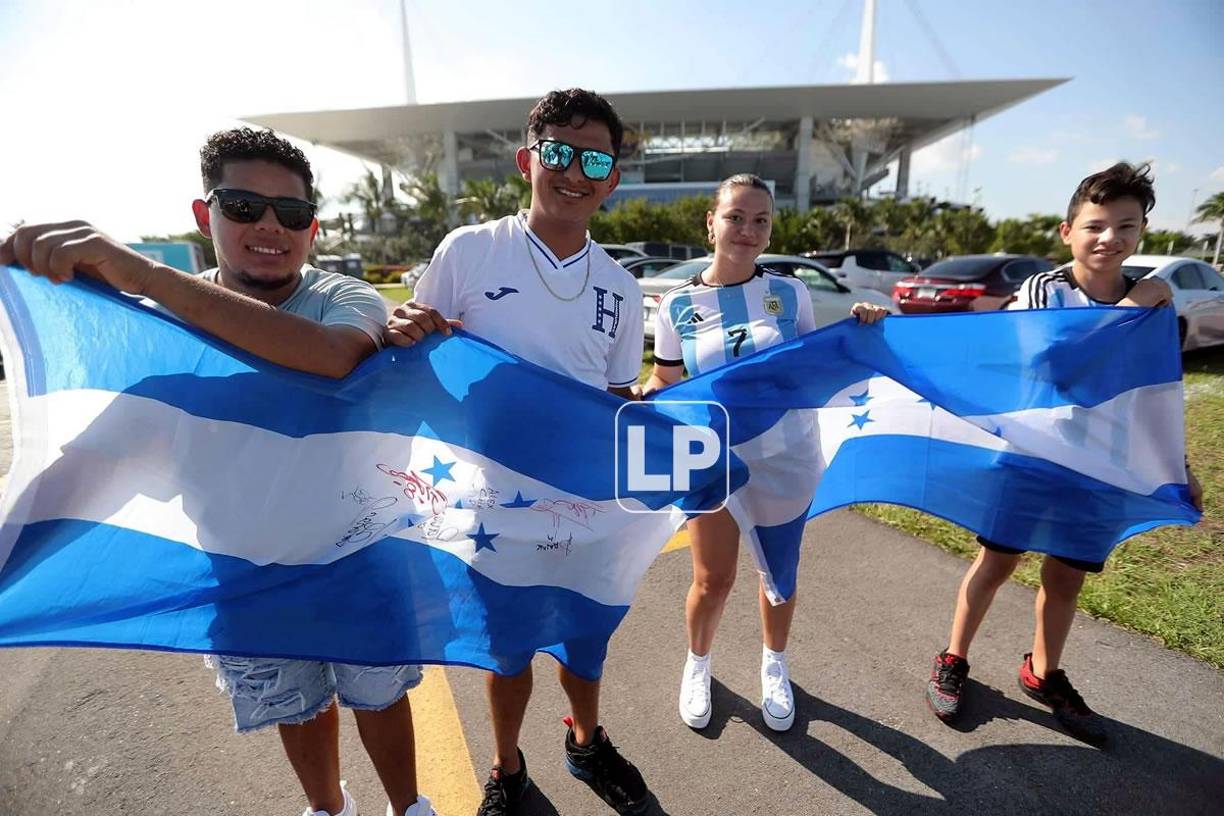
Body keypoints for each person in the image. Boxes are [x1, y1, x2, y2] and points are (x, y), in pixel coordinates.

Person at [0, 128, 434, 816]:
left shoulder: (342, 299)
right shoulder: (158, 325)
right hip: (243, 566)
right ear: (205, 216)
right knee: (298, 707)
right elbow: (99, 457)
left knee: (380, 696)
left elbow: (330, 356)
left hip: (358, 553)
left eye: (290, 215)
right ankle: (329, 809)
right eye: (243, 206)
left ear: (311, 229)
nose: (269, 227)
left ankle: (409, 807)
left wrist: (141, 273)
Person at [386, 89, 650, 816]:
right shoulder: (470, 251)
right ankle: (507, 768)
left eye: (594, 158)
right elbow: (420, 358)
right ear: (527, 159)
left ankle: (586, 740)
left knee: (584, 641)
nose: (574, 172)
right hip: (492, 502)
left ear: (613, 176)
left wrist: (661, 426)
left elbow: (616, 399)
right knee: (507, 652)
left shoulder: (622, 289)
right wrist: (401, 329)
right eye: (558, 153)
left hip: (585, 503)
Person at [923, 161, 1204, 744]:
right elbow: (1057, 364)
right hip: (1030, 456)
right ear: (1067, 231)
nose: (1110, 238)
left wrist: (1180, 468)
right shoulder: (1044, 290)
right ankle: (953, 658)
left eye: (1126, 226)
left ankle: (1043, 673)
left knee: (1066, 580)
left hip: (1102, 465)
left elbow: (1156, 399)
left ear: (1142, 231)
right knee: (996, 564)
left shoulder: (1154, 303)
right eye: (1096, 225)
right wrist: (1132, 312)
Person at [640, 174, 887, 733]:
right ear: (711, 223)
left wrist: (862, 331)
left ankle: (774, 665)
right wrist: (637, 398)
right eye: (735, 217)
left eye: (760, 221)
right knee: (712, 579)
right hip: (713, 459)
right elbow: (665, 379)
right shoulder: (676, 305)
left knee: (779, 574)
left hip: (785, 457)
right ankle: (698, 664)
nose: (748, 231)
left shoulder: (791, 292)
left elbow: (809, 367)